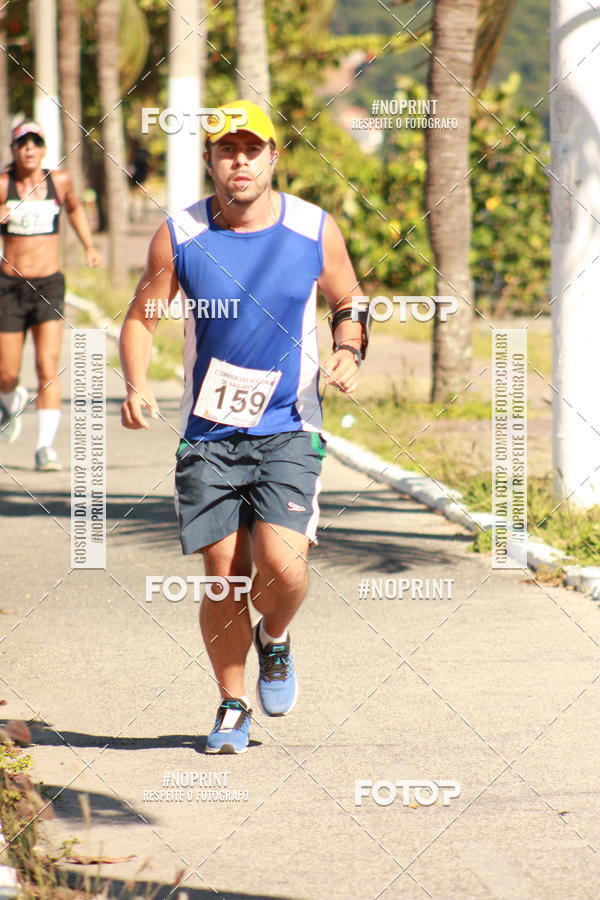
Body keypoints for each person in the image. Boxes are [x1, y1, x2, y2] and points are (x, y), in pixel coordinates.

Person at [119, 100, 369, 754]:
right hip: (209, 436)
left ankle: (275, 637)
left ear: (273, 157)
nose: (240, 160)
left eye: (251, 148)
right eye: (227, 149)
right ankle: (232, 704)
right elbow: (142, 317)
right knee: (224, 574)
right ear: (209, 159)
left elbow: (349, 299)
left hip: (289, 427)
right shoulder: (180, 235)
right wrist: (137, 384)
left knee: (283, 571)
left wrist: (349, 349)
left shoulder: (315, 229)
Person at [0, 121, 101, 469]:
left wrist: (89, 244)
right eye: (22, 143)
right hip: (9, 287)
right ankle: (10, 401)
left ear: (44, 148)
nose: (29, 148)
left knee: (47, 367)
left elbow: (73, 207)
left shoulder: (59, 181)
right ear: (13, 150)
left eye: (36, 142)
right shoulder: (3, 184)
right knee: (6, 373)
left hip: (48, 286)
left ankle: (45, 447)